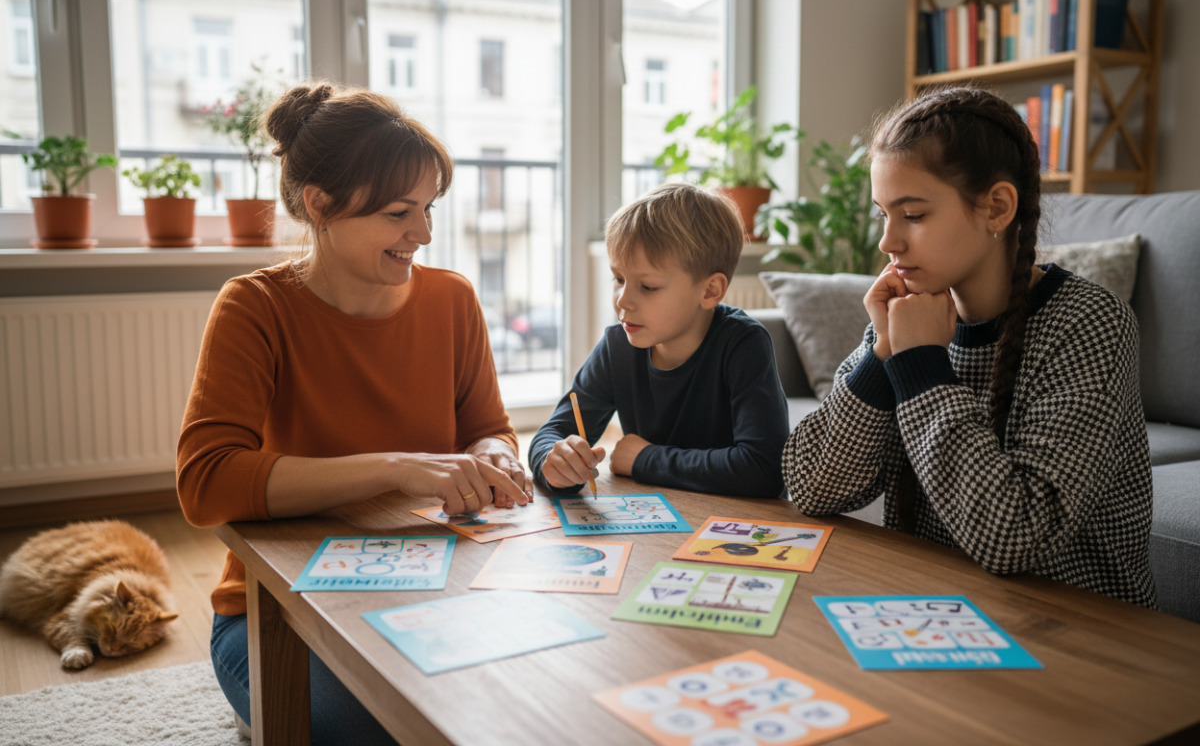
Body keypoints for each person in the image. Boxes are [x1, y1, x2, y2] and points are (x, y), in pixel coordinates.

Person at [176, 83, 532, 745]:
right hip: (277, 614)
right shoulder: (255, 308)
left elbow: (489, 424)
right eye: (401, 213)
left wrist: (493, 454)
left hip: (432, 587)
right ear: (321, 205)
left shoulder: (452, 300)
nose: (423, 233)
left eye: (429, 209)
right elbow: (207, 484)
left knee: (517, 705)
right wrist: (395, 469)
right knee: (387, 732)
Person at [783, 86, 1155, 608]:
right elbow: (811, 486)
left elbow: (1014, 538)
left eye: (912, 214)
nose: (888, 242)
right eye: (881, 214)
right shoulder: (908, 316)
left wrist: (922, 368)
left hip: (1078, 629)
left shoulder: (1088, 323)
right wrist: (882, 355)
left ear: (997, 207)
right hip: (940, 611)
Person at [529, 183, 789, 498]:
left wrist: (644, 458)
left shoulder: (743, 345)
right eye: (619, 279)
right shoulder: (618, 346)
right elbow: (552, 433)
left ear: (709, 291)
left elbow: (765, 469)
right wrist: (552, 461)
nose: (623, 301)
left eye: (648, 286)